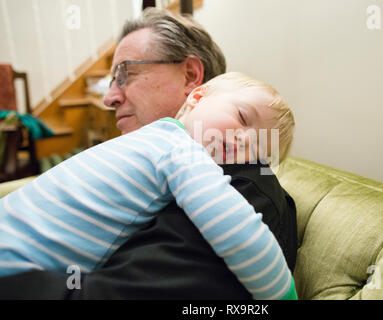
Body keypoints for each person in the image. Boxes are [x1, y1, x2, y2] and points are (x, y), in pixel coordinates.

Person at [0, 8, 297, 299]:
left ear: (191, 77)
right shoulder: (167, 147)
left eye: (125, 74)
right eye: (243, 119)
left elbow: (243, 237)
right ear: (197, 98)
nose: (109, 97)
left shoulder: (239, 182)